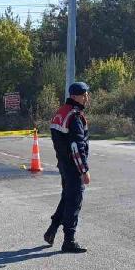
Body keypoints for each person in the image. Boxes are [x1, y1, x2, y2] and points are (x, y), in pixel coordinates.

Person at [45, 82, 91, 254]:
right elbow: (76, 147)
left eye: (87, 94)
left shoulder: (60, 112)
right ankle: (69, 241)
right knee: (74, 201)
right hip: (72, 166)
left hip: (63, 164)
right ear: (74, 96)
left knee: (66, 198)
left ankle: (52, 230)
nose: (87, 98)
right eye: (84, 94)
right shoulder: (75, 116)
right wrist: (83, 171)